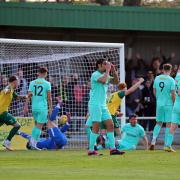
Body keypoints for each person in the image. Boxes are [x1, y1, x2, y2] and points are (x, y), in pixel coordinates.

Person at [87, 58, 123, 156]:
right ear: (99, 65)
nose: (107, 65)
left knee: (110, 125)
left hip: (103, 105)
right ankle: (91, 150)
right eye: (104, 64)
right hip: (95, 104)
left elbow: (116, 82)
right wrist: (107, 70)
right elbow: (103, 81)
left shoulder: (106, 74)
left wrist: (113, 70)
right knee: (96, 126)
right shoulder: (95, 74)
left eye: (107, 64)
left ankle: (113, 149)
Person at [24, 67, 52, 149]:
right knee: (39, 126)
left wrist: (25, 106)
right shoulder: (47, 84)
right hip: (42, 108)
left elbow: (28, 96)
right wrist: (50, 108)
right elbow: (49, 98)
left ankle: (32, 143)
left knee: (36, 125)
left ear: (38, 73)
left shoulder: (32, 83)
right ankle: (33, 144)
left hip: (34, 107)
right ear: (45, 74)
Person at [149, 64, 175, 150]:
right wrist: (174, 104)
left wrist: (159, 99)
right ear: (170, 70)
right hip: (169, 104)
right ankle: (166, 145)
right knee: (168, 124)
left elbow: (154, 91)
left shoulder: (157, 78)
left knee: (158, 123)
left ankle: (153, 141)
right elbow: (172, 94)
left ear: (163, 69)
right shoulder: (171, 80)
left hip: (159, 103)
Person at [0, 75, 27, 150]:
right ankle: (7, 142)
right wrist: (7, 90)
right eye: (18, 81)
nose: (18, 83)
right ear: (15, 82)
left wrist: (27, 96)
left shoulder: (12, 91)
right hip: (2, 112)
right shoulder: (9, 88)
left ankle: (7, 142)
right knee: (17, 125)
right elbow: (6, 90)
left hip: (1, 112)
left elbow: (18, 97)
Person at [165, 67, 180, 152]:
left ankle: (168, 145)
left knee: (173, 126)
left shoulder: (177, 77)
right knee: (173, 126)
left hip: (176, 105)